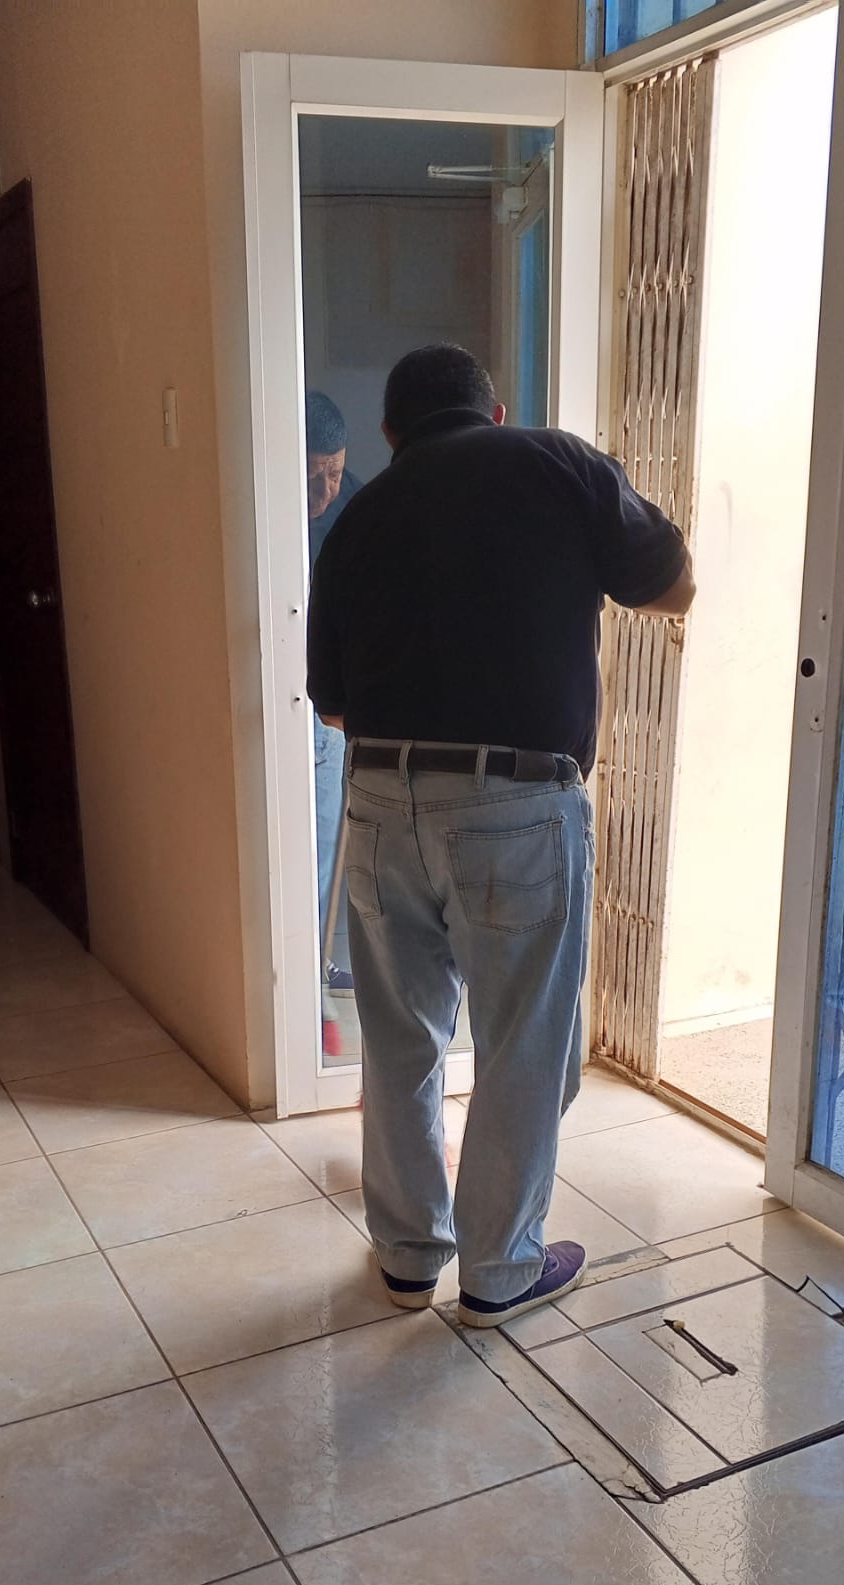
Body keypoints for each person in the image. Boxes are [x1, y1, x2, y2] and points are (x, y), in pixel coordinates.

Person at [307, 345, 694, 1328]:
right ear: (496, 411)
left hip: (380, 800)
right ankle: (500, 1269)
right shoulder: (557, 463)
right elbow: (671, 584)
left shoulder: (359, 519)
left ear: (389, 434)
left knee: (399, 1038)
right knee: (524, 1042)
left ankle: (406, 1258)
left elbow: (334, 705)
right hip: (515, 802)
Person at [305, 391, 363, 1000]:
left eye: (335, 472)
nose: (325, 490)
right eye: (313, 474)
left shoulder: (359, 508)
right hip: (277, 691)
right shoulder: (272, 506)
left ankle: (314, 965)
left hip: (327, 706)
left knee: (325, 840)